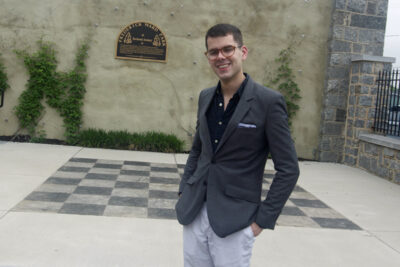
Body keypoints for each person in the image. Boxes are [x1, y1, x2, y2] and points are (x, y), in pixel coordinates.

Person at [175, 23, 300, 267]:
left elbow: (289, 169)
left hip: (235, 220)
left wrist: (262, 220)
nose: (220, 57)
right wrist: (184, 190)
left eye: (227, 49)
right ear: (207, 56)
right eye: (213, 52)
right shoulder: (205, 97)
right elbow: (198, 150)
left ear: (242, 52)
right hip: (194, 211)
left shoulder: (268, 102)